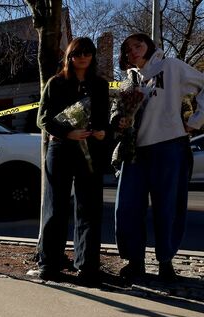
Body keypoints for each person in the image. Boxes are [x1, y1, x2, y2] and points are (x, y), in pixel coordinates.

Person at [112, 33, 204, 282]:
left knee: (168, 208)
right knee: (126, 209)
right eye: (127, 49)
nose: (133, 51)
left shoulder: (171, 66)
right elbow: (117, 113)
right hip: (135, 152)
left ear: (149, 46)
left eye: (137, 45)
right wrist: (119, 121)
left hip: (169, 147)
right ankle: (135, 262)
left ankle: (166, 262)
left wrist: (195, 122)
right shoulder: (128, 81)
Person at [35, 37, 111, 285]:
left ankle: (88, 265)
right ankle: (49, 263)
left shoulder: (100, 85)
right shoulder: (56, 83)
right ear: (69, 56)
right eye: (77, 53)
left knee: (89, 208)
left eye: (87, 52)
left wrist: (102, 132)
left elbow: (104, 118)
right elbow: (43, 119)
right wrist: (67, 132)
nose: (83, 57)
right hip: (61, 148)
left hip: (90, 150)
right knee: (55, 206)